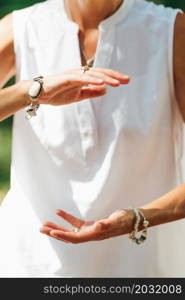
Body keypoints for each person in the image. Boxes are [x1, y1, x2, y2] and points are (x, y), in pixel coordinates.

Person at [0, 0, 185, 277]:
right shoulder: (22, 27)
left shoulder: (170, 31)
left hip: (142, 270)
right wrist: (31, 90)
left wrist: (139, 218)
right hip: (30, 266)